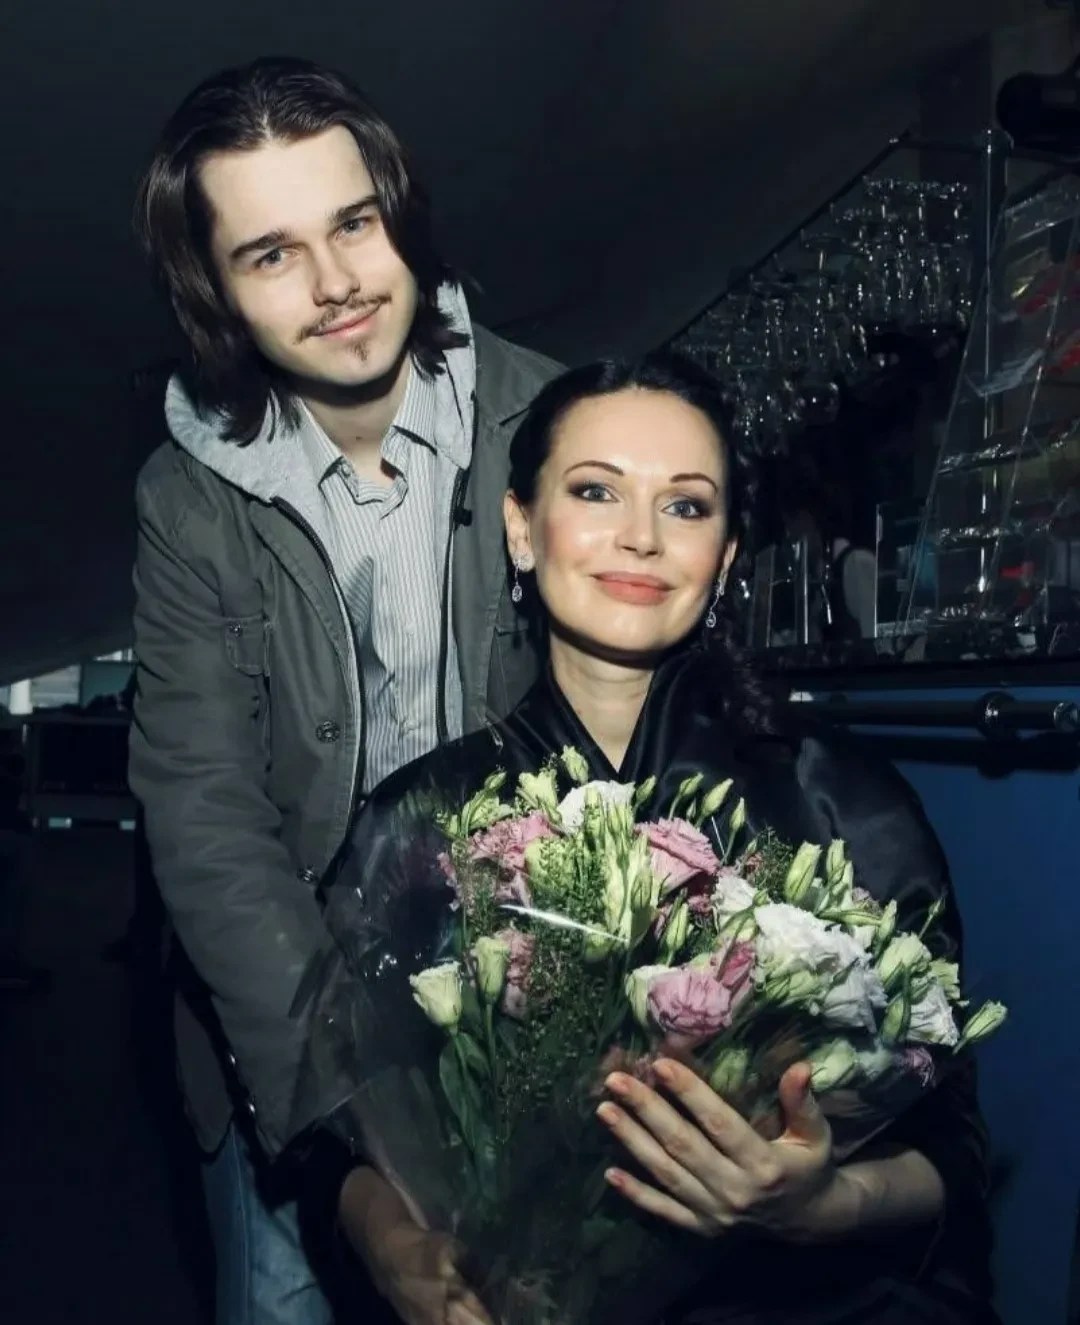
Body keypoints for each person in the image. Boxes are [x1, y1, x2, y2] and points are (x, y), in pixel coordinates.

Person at [303, 355, 999, 1325]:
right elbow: (334, 1131)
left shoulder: (841, 803)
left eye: (685, 505)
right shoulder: (418, 819)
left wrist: (821, 1202)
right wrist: (394, 1248)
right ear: (520, 527)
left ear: (724, 554)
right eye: (596, 490)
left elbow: (953, 1143)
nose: (641, 535)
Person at [127, 55, 561, 1325]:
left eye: (354, 223)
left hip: (532, 1001)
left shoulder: (552, 417)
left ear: (400, 215)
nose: (335, 284)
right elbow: (207, 820)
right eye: (271, 254)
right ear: (213, 289)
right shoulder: (186, 499)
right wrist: (357, 1135)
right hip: (288, 1014)